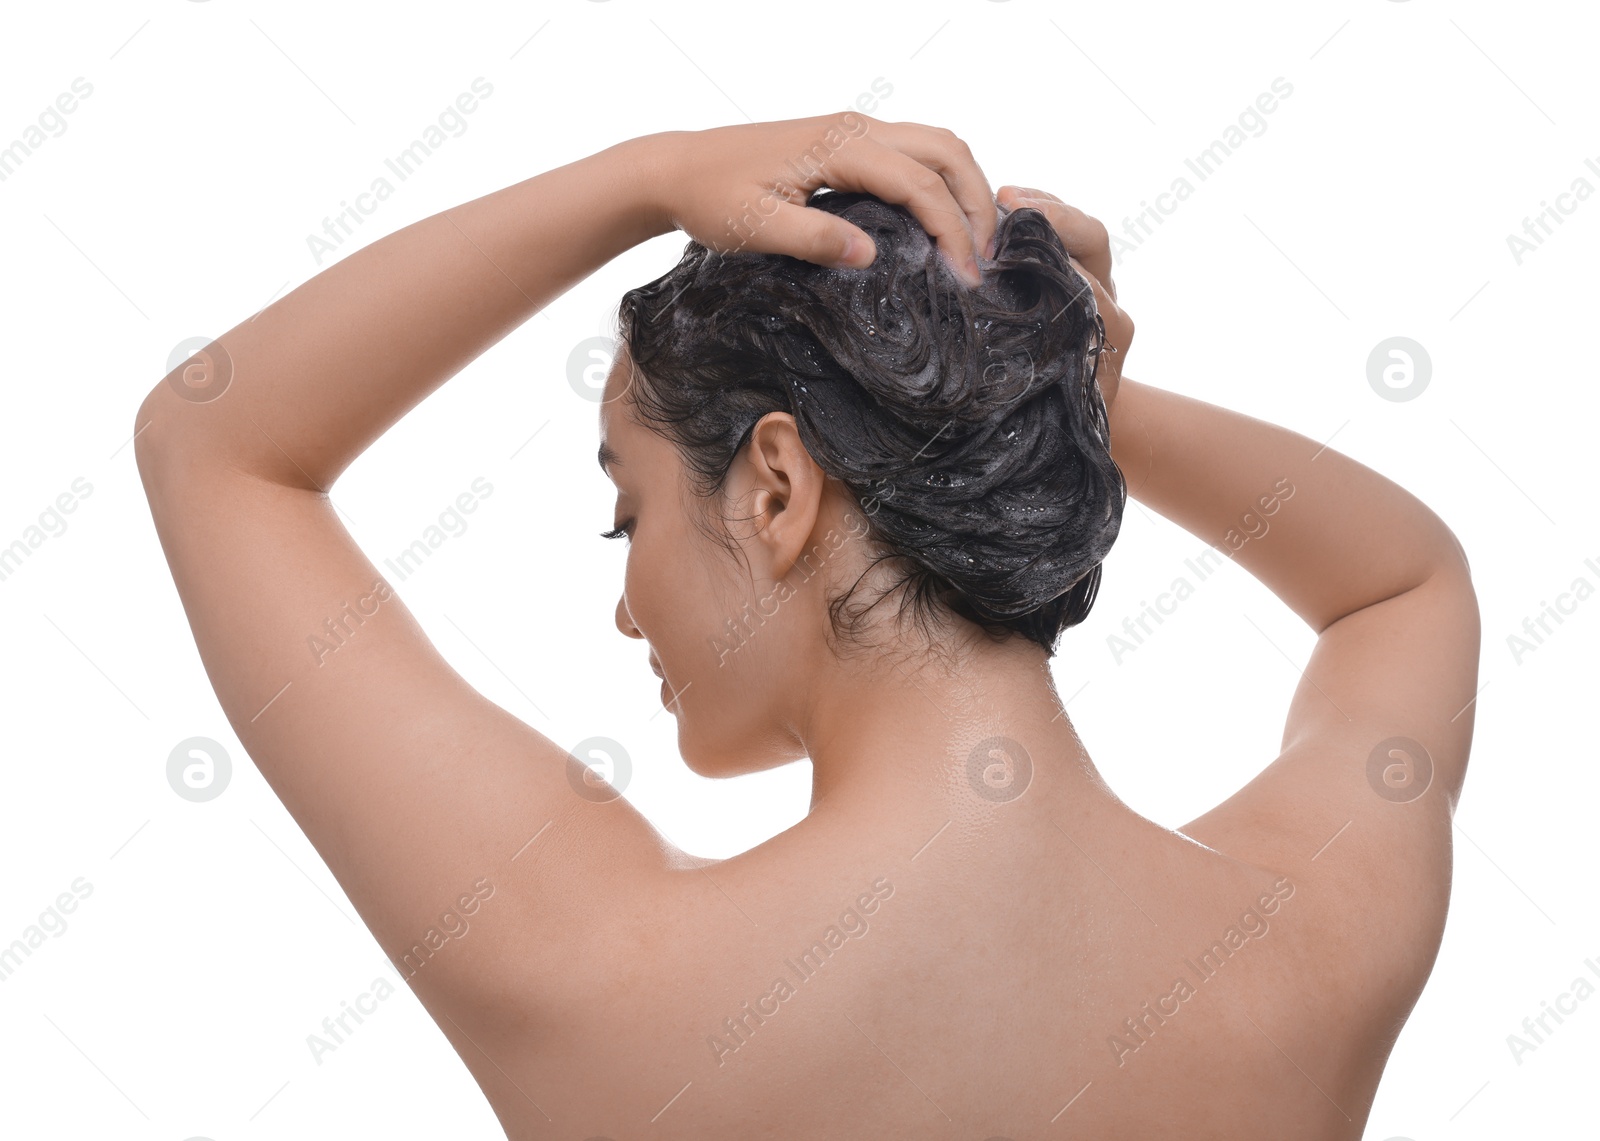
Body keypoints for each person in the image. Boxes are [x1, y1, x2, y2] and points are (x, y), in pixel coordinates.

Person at [134, 112, 1480, 1139]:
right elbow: (1402, 585)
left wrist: (646, 175)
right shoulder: (1307, 953)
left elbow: (214, 439)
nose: (624, 599)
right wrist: (1047, 401)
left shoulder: (595, 976)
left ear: (776, 485)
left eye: (630, 514)